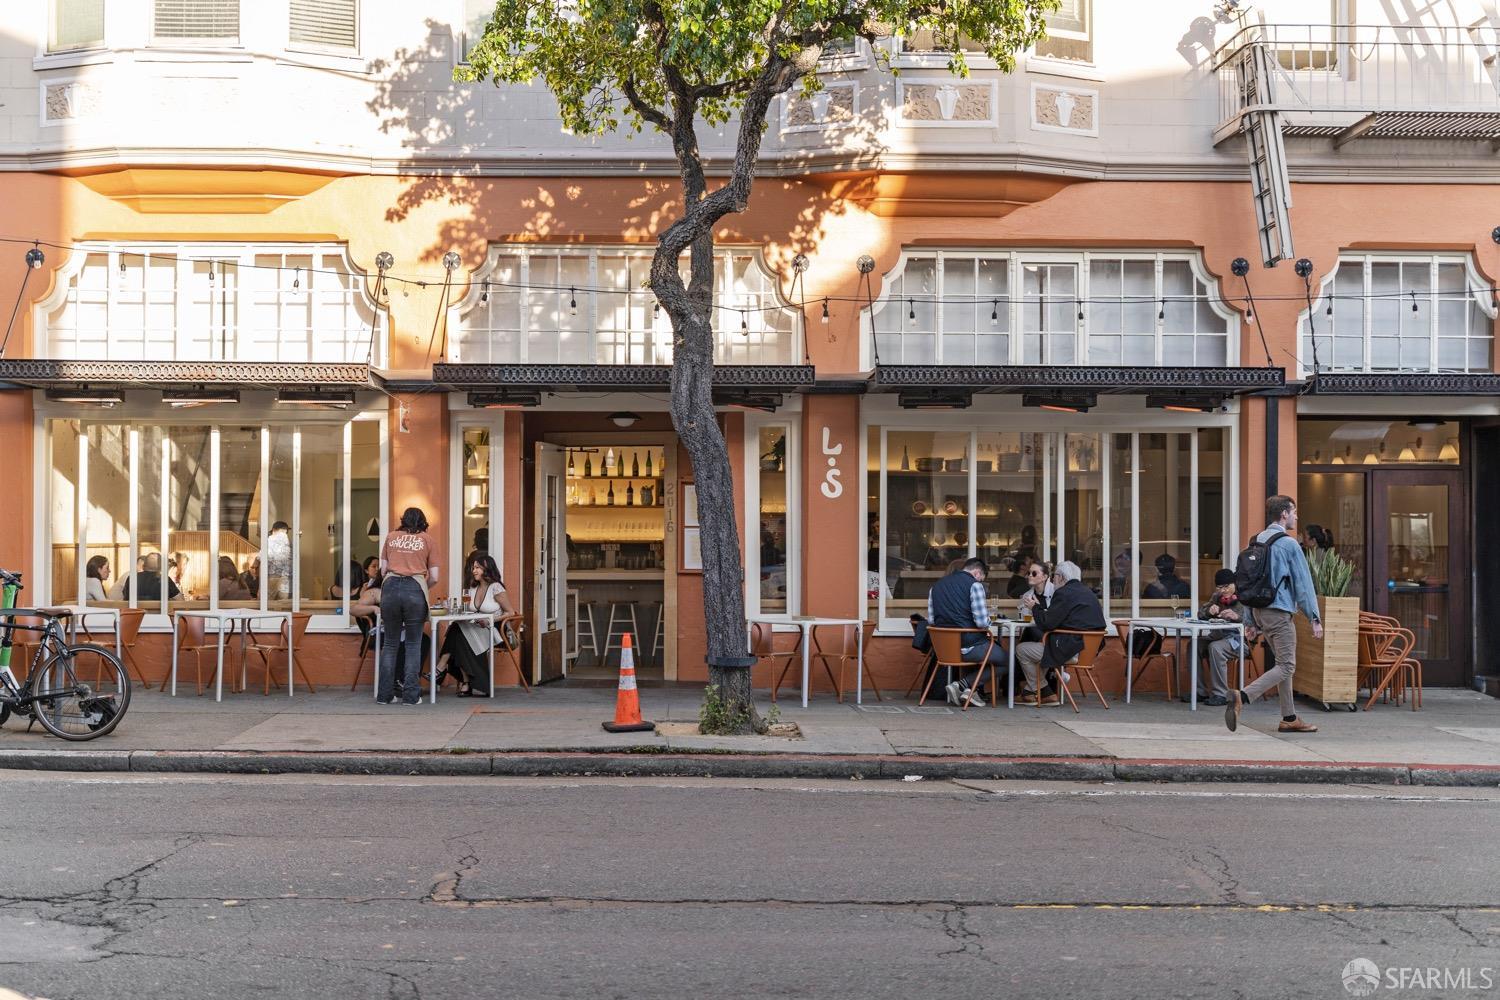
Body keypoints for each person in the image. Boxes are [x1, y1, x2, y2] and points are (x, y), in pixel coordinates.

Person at [1226, 495, 1323, 734]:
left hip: (1259, 612)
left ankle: (1289, 718)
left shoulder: (1256, 540)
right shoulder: (1289, 544)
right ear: (1284, 515)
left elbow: (1249, 583)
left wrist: (1249, 619)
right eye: (1294, 512)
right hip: (1278, 613)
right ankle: (1243, 696)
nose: (1296, 517)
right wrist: (1314, 617)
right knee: (1287, 665)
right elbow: (1303, 582)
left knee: (1282, 663)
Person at [1016, 560, 1106, 704]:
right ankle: (1033, 691)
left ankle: (1044, 691)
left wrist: (1035, 607)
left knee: (1022, 649)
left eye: (1055, 575)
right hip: (1088, 653)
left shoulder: (1063, 593)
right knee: (1043, 646)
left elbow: (1047, 623)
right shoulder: (1089, 593)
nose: (1053, 579)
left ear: (1061, 577)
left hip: (1070, 651)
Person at [378, 507, 439, 706]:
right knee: (413, 645)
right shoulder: (428, 540)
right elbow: (435, 577)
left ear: (403, 520)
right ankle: (411, 697)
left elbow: (383, 569)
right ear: (423, 522)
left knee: (390, 644)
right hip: (415, 588)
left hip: (390, 589)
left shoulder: (391, 536)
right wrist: (421, 588)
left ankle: (385, 696)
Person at [434, 554, 515, 697]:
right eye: (473, 567)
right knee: (457, 629)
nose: (474, 570)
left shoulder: (496, 588)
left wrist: (490, 620)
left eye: (477, 567)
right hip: (475, 627)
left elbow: (510, 612)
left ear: (487, 569)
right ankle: (464, 681)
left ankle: (442, 669)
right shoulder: (472, 588)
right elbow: (469, 611)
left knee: (457, 631)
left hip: (492, 629)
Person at [926, 557, 1000, 707]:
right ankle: (962, 685)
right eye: (982, 578)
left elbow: (932, 621)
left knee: (990, 650)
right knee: (1007, 660)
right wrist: (991, 620)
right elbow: (982, 623)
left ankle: (971, 692)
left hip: (944, 650)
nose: (981, 581)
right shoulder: (975, 585)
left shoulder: (936, 586)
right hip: (969, 647)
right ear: (978, 573)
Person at [1193, 568, 1255, 707]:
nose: (1223, 590)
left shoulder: (1245, 597)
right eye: (1220, 587)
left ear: (1234, 584)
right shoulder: (1216, 597)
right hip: (1218, 636)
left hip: (1240, 642)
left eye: (1227, 586)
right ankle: (1199, 691)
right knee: (1194, 645)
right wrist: (1208, 611)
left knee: (1215, 648)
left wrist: (1238, 617)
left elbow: (1255, 622)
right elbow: (1200, 613)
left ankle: (1220, 694)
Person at [266, 522, 292, 601]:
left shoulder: (269, 540)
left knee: (269, 604)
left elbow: (262, 558)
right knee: (284, 604)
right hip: (286, 578)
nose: (286, 533)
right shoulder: (290, 542)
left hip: (273, 577)